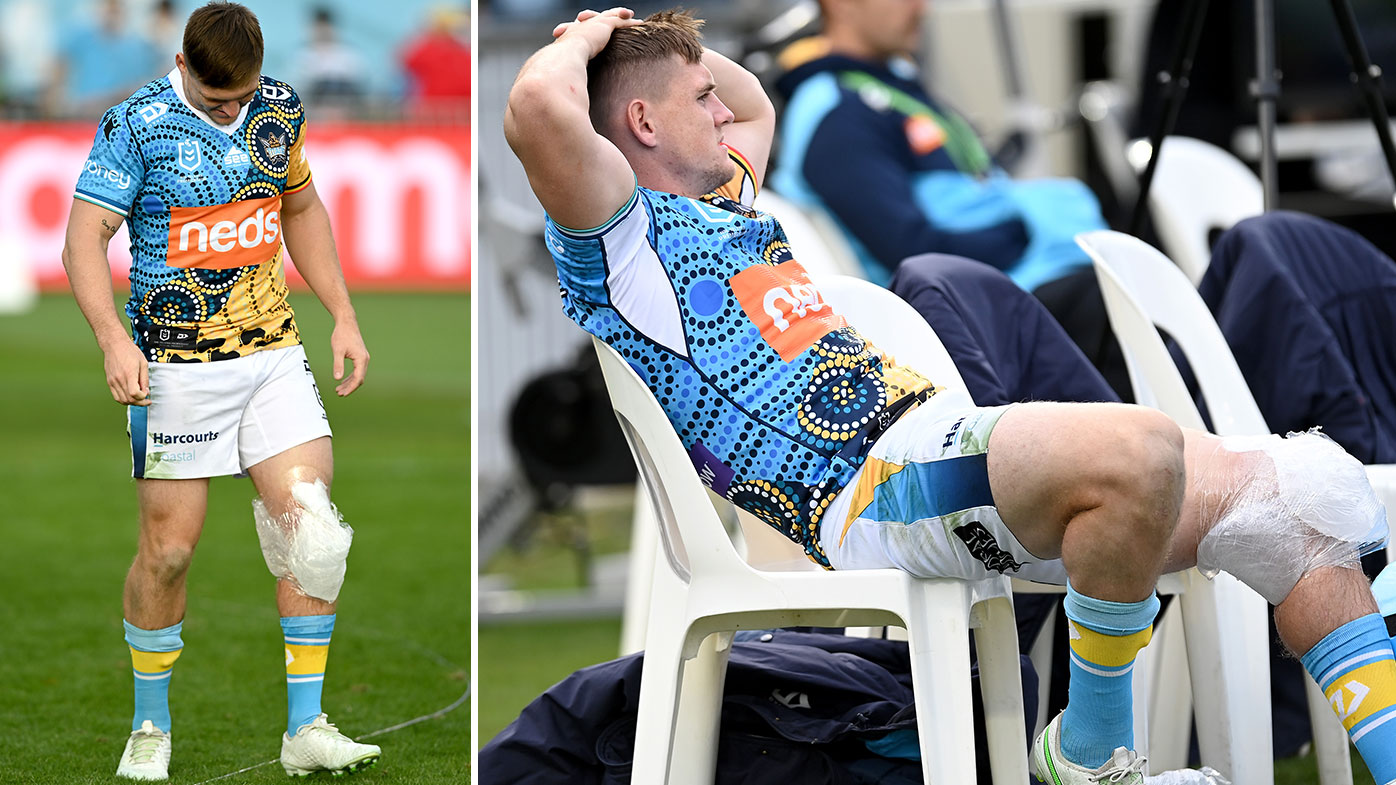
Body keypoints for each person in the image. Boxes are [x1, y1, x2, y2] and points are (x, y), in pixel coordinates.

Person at [504, 8, 1396, 784]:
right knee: (1140, 449)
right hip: (859, 496)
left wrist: (662, 42)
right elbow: (537, 109)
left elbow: (753, 103)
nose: (720, 107)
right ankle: (1092, 759)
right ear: (639, 122)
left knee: (1305, 492)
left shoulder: (728, 195)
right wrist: (592, 40)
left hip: (928, 439)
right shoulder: (618, 243)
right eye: (696, 99)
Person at [61, 2, 379, 780]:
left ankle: (305, 729)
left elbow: (299, 205)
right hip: (173, 368)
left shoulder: (280, 108)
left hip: (271, 354)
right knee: (168, 552)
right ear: (183, 66)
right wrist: (112, 338)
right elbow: (83, 236)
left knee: (314, 532)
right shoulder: (135, 123)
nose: (233, 111)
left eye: (241, 95)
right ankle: (148, 727)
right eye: (215, 101)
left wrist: (342, 313)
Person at [769, 0, 1129, 396]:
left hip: (1006, 287)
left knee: (1129, 282)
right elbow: (910, 249)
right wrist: (1030, 226)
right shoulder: (836, 112)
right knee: (1117, 303)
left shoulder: (891, 82)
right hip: (958, 318)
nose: (922, 7)